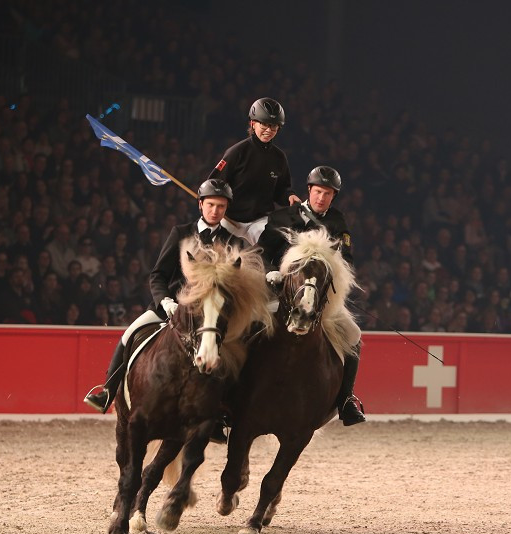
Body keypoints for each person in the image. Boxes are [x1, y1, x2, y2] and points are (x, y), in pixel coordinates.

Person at [83, 179, 245, 417]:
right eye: (211, 205)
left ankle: (230, 410)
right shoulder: (180, 233)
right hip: (172, 306)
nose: (215, 211)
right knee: (129, 335)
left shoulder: (233, 242)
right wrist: (166, 301)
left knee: (242, 347)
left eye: (221, 206)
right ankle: (107, 390)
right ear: (200, 205)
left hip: (212, 314)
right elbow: (158, 275)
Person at [256, 166, 366, 426]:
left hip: (318, 298)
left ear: (333, 196)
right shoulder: (282, 216)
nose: (322, 198)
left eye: (328, 194)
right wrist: (271, 271)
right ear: (309, 191)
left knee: (353, 335)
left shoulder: (338, 222)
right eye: (318, 192)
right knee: (247, 328)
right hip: (280, 292)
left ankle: (346, 400)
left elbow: (346, 260)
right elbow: (261, 251)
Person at [207, 98, 301, 243]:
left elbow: (282, 189)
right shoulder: (236, 152)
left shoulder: (279, 157)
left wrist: (290, 196)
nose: (269, 130)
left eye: (274, 126)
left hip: (259, 222)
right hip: (230, 220)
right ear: (253, 123)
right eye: (264, 124)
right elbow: (213, 185)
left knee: (273, 251)